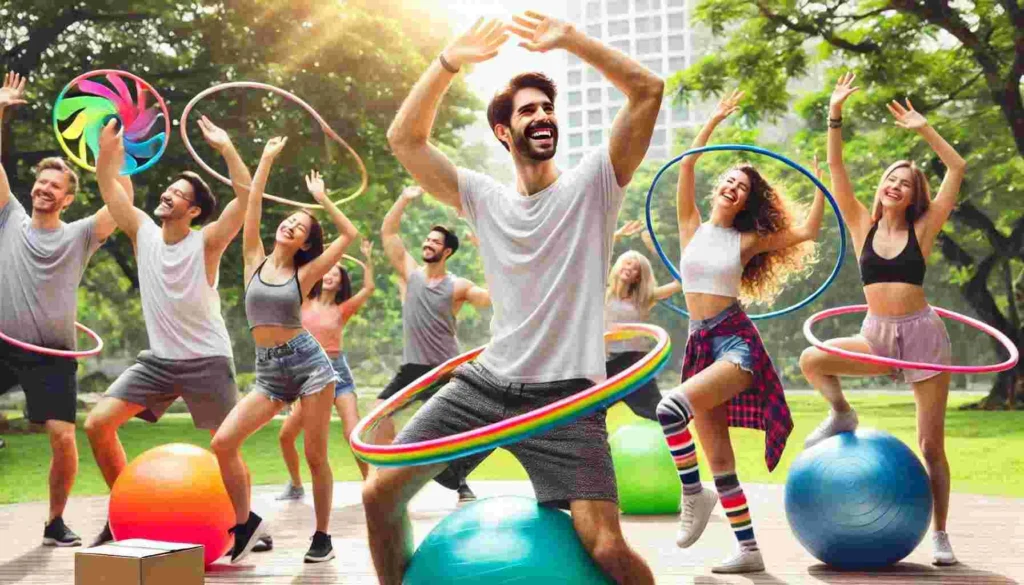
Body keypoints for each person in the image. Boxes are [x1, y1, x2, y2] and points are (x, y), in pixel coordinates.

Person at [364, 11, 664, 584]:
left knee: (605, 548)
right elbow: (404, 138)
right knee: (380, 493)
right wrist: (448, 60)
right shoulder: (482, 198)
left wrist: (573, 40)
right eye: (528, 110)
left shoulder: (594, 185)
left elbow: (648, 90)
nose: (542, 116)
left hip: (570, 398)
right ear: (504, 132)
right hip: (488, 383)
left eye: (547, 108)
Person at [798, 72, 967, 566]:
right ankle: (842, 413)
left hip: (923, 338)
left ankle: (940, 534)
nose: (895, 186)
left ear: (915, 195)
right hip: (875, 337)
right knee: (813, 359)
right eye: (891, 179)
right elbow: (836, 166)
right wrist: (834, 113)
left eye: (906, 183)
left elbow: (956, 167)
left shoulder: (926, 226)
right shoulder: (859, 223)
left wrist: (924, 130)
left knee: (930, 445)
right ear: (882, 188)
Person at [656, 90, 824, 573]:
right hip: (698, 344)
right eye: (728, 181)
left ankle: (692, 493)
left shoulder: (745, 240)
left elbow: (808, 232)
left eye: (742, 187)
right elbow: (686, 166)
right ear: (717, 189)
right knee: (720, 460)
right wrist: (710, 123)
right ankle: (748, 550)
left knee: (670, 411)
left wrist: (819, 182)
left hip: (733, 342)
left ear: (747, 201)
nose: (733, 187)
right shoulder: (691, 226)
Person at [84, 117, 269, 552]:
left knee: (225, 446)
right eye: (168, 189)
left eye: (179, 193)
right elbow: (110, 187)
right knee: (97, 425)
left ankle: (247, 524)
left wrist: (226, 147)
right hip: (159, 362)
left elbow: (244, 202)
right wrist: (106, 154)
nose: (167, 194)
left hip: (207, 360)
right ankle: (122, 513)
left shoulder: (206, 243)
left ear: (195, 211)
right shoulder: (143, 232)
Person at [210, 139, 358, 564]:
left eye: (301, 228)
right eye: (290, 220)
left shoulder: (306, 272)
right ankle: (247, 524)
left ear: (306, 243)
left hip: (310, 365)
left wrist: (322, 200)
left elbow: (349, 234)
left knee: (315, 455)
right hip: (269, 372)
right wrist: (267, 160)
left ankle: (323, 536)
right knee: (223, 442)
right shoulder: (253, 256)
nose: (291, 227)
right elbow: (251, 201)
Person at [0, 72, 124, 546]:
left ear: (68, 198)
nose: (44, 189)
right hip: (2, 343)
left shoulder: (80, 234)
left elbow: (121, 205)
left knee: (63, 437)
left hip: (52, 352)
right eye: (41, 182)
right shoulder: (8, 215)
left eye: (56, 186)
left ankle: (54, 521)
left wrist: (115, 159)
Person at [376, 184, 491, 505]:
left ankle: (461, 480)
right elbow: (389, 234)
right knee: (377, 416)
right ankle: (388, 475)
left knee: (458, 429)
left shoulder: (458, 286)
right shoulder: (411, 274)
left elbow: (488, 299)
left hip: (445, 369)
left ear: (448, 251)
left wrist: (487, 250)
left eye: (435, 242)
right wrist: (403, 198)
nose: (428, 244)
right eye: (427, 240)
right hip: (413, 368)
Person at [276, 238, 376, 499]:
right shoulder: (303, 302)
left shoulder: (342, 310)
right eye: (327, 271)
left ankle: (373, 486)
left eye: (337, 273)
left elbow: (369, 287)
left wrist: (367, 259)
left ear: (342, 282)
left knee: (352, 433)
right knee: (286, 435)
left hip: (338, 373)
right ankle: (296, 486)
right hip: (310, 376)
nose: (331, 276)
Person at [605, 220, 681, 420]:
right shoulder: (602, 292)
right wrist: (618, 235)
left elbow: (680, 281)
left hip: (635, 363)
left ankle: (676, 446)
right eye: (627, 262)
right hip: (605, 362)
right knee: (585, 412)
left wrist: (654, 248)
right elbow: (592, 255)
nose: (630, 267)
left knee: (657, 414)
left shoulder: (644, 298)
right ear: (619, 265)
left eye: (636, 267)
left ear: (639, 277)